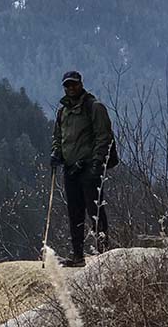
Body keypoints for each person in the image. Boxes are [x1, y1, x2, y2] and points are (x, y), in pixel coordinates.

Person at [50, 71, 115, 267]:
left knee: (94, 210)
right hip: (70, 169)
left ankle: (103, 254)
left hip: (89, 168)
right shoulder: (63, 112)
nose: (71, 88)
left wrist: (96, 163)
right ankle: (78, 255)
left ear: (81, 84)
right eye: (67, 86)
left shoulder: (94, 107)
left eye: (74, 85)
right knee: (74, 212)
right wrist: (56, 153)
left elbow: (104, 137)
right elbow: (58, 137)